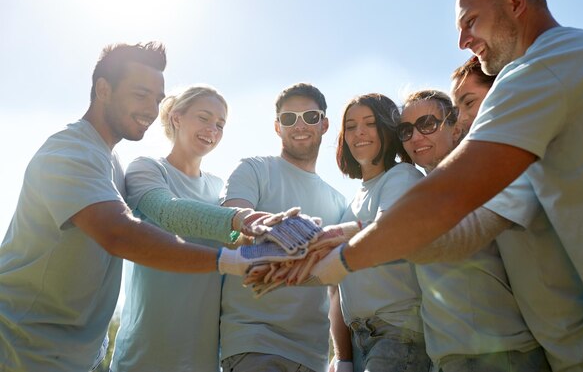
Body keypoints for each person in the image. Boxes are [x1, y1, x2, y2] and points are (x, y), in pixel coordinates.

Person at [298, 0, 583, 364]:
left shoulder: (537, 70)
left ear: (516, 2)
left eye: (470, 22)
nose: (462, 40)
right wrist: (357, 233)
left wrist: (347, 258)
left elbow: (451, 205)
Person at [0, 42, 267, 372]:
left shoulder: (111, 162)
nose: (151, 109)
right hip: (21, 346)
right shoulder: (71, 152)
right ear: (103, 90)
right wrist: (232, 258)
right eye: (140, 95)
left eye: (156, 99)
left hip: (75, 356)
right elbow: (119, 233)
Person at [451, 56, 583, 371]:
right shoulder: (494, 171)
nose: (459, 119)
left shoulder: (520, 167)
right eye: (455, 108)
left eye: (468, 103)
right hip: (559, 354)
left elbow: (465, 232)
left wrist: (363, 244)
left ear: (502, 94)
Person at [399, 89, 549, 372]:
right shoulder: (420, 195)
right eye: (406, 130)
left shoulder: (483, 178)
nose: (416, 137)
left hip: (503, 356)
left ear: (455, 128)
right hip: (448, 359)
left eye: (428, 124)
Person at [219, 83, 346, 372]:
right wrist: (281, 233)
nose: (299, 125)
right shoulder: (253, 169)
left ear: (324, 124)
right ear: (278, 127)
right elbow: (230, 227)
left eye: (310, 117)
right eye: (289, 118)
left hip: (313, 355)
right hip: (254, 343)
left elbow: (337, 289)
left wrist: (344, 358)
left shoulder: (338, 201)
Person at [110, 85, 232, 371]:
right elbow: (169, 212)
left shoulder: (219, 188)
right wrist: (238, 220)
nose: (212, 129)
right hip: (146, 350)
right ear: (177, 117)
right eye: (204, 117)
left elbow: (234, 239)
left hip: (204, 357)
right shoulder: (147, 168)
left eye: (220, 124)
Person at [332, 93, 430, 372]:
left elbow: (385, 231)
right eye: (350, 126)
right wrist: (343, 357)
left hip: (398, 335)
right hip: (359, 338)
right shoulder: (351, 202)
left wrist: (329, 237)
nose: (359, 132)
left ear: (388, 128)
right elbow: (337, 286)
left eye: (370, 123)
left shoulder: (402, 177)